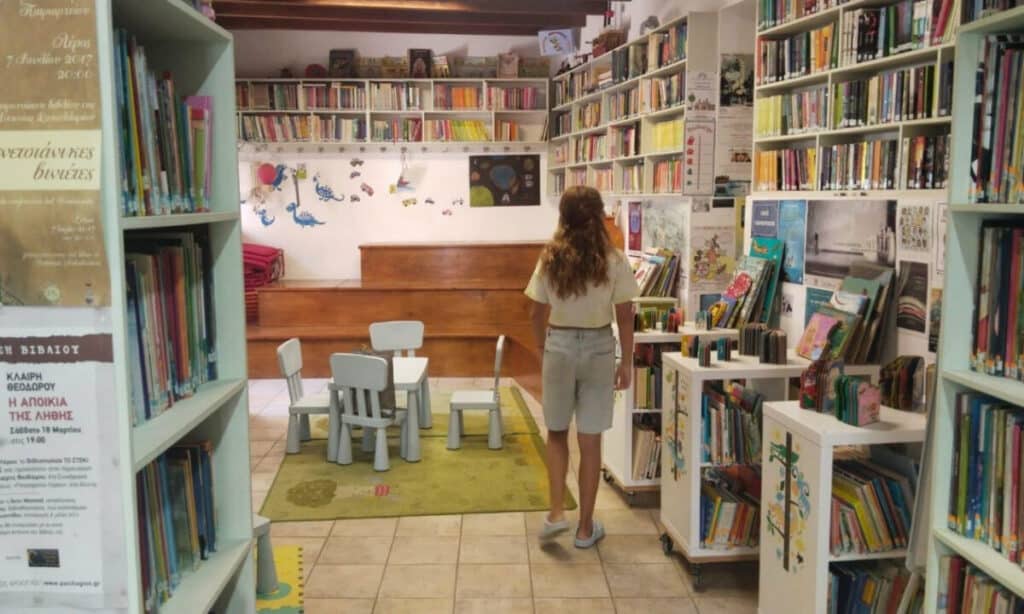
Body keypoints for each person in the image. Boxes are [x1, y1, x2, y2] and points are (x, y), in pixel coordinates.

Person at [524, 185, 640, 548]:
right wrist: (627, 361)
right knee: (590, 440)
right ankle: (586, 529)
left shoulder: (550, 257)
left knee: (557, 432)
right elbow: (625, 316)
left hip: (558, 346)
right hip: (599, 348)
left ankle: (556, 512)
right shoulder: (614, 260)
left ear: (563, 216)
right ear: (600, 215)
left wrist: (541, 347)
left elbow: (535, 311)